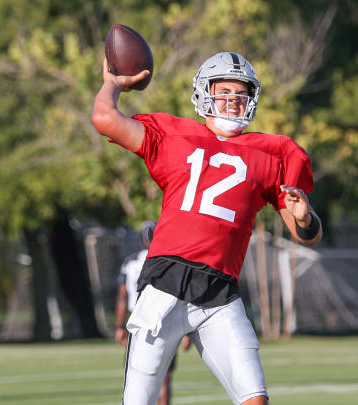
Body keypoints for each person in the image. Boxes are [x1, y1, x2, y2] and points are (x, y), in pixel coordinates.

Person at [92, 51, 323, 405]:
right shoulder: (173, 134)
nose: (233, 102)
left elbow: (305, 233)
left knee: (255, 399)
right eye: (224, 92)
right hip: (165, 284)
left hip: (219, 295)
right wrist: (114, 83)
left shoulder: (274, 152)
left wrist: (305, 217)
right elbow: (105, 117)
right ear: (204, 93)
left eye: (241, 94)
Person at [114, 221, 191, 405]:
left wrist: (119, 326)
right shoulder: (170, 260)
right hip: (163, 320)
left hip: (137, 321)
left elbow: (122, 296)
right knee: (163, 378)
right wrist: (187, 331)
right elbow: (182, 294)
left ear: (141, 240)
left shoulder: (130, 262)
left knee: (135, 377)